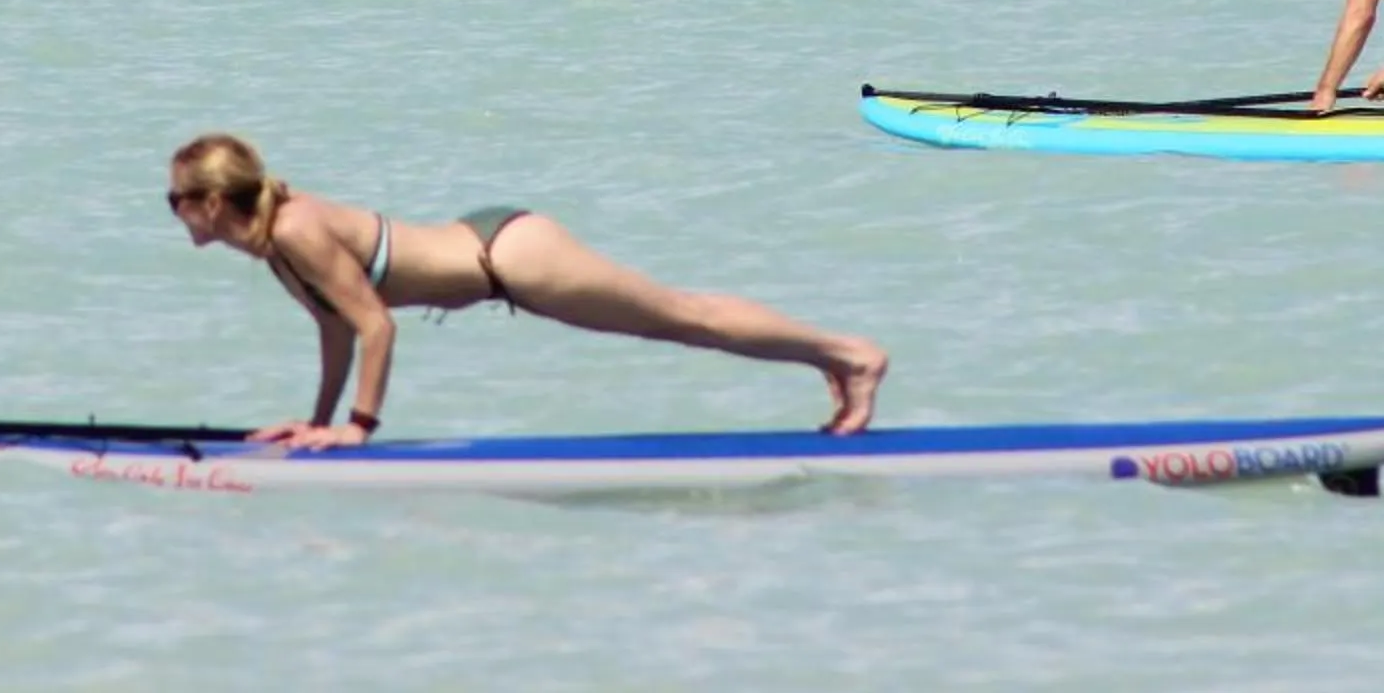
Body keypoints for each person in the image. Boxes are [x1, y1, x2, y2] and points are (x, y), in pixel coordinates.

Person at [166, 132, 888, 448]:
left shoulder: (295, 232)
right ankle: (828, 356)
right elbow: (338, 326)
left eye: (177, 200)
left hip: (508, 257)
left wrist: (359, 428)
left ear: (211, 202)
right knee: (680, 316)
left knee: (681, 316)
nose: (175, 213)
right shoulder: (274, 242)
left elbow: (377, 328)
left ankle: (849, 355)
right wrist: (315, 421)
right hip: (493, 248)